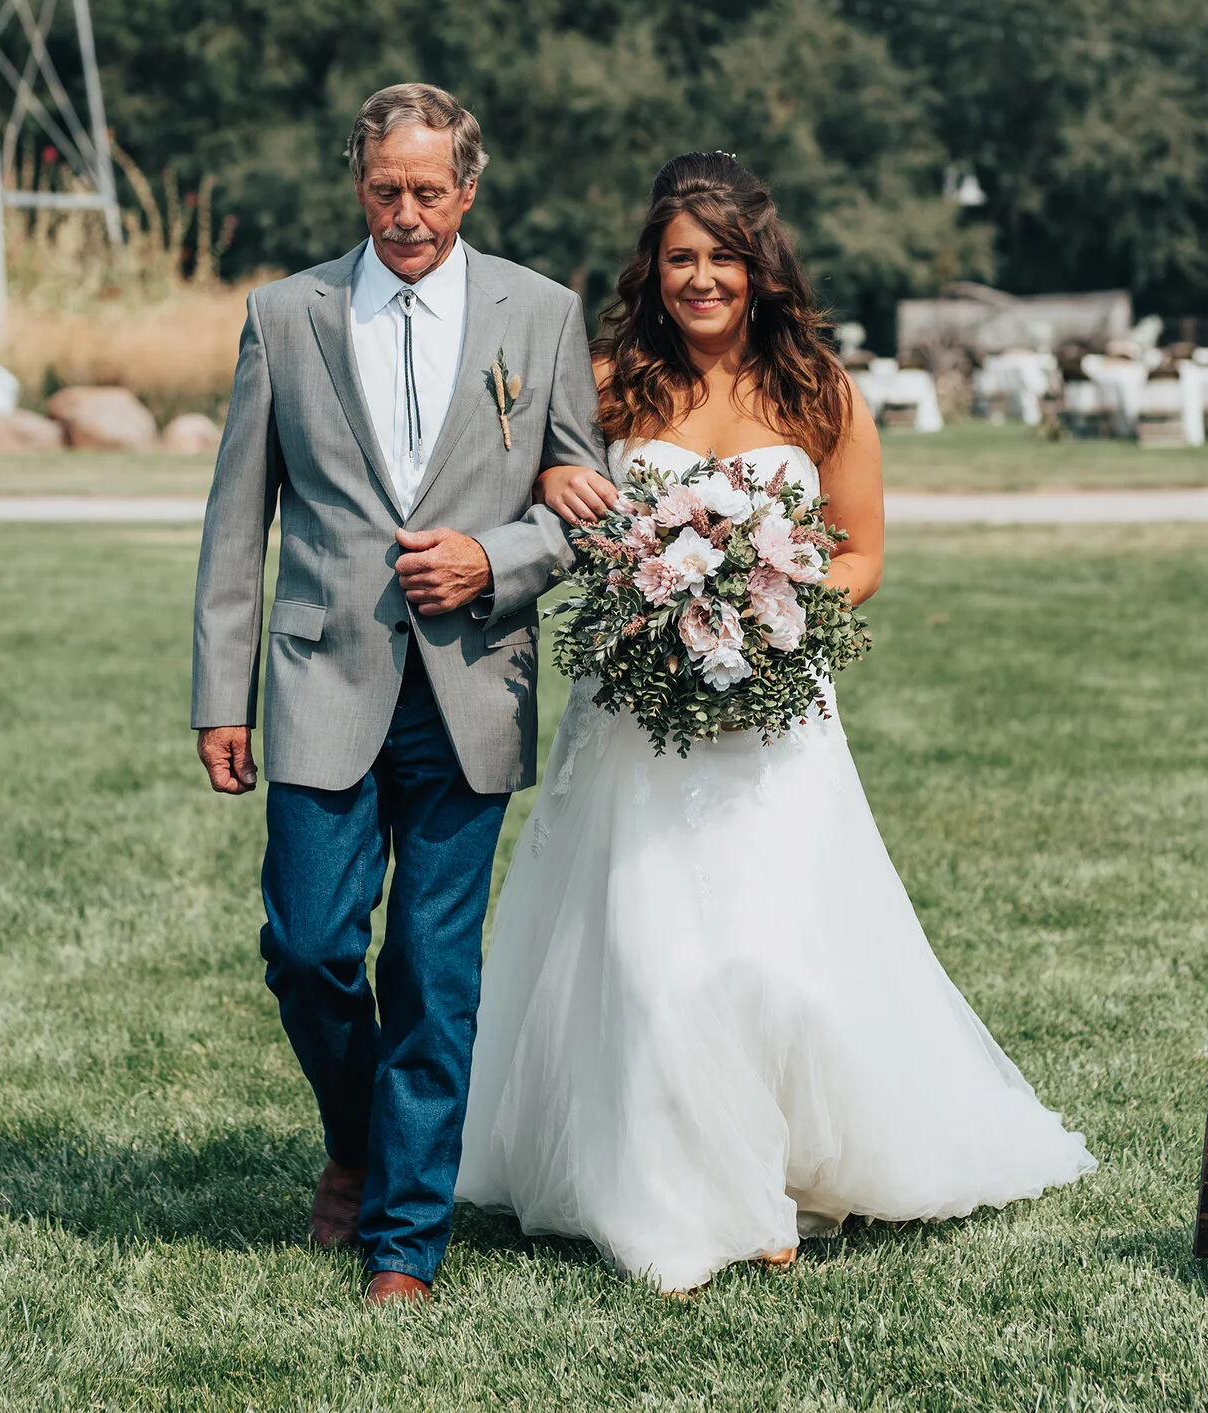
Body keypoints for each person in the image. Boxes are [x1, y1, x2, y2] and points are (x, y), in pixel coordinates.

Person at [455, 151, 1095, 1293]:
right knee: (641, 946)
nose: (702, 279)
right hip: (635, 714)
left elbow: (865, 554)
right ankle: (665, 1195)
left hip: (773, 715)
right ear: (652, 269)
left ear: (761, 268)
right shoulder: (605, 381)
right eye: (680, 258)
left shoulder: (820, 391)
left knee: (769, 945)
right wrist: (559, 488)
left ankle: (788, 1163)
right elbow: (534, 493)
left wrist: (769, 618)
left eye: (723, 259)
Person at [190, 83, 608, 1304]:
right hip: (322, 676)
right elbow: (236, 523)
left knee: (433, 972)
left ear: (467, 190)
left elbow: (583, 496)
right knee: (311, 947)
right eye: (386, 190)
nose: (407, 214)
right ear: (356, 181)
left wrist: (498, 556)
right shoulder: (286, 316)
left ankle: (404, 1241)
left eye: (430, 191)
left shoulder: (542, 312)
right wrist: (224, 694)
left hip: (471, 681)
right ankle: (361, 1144)